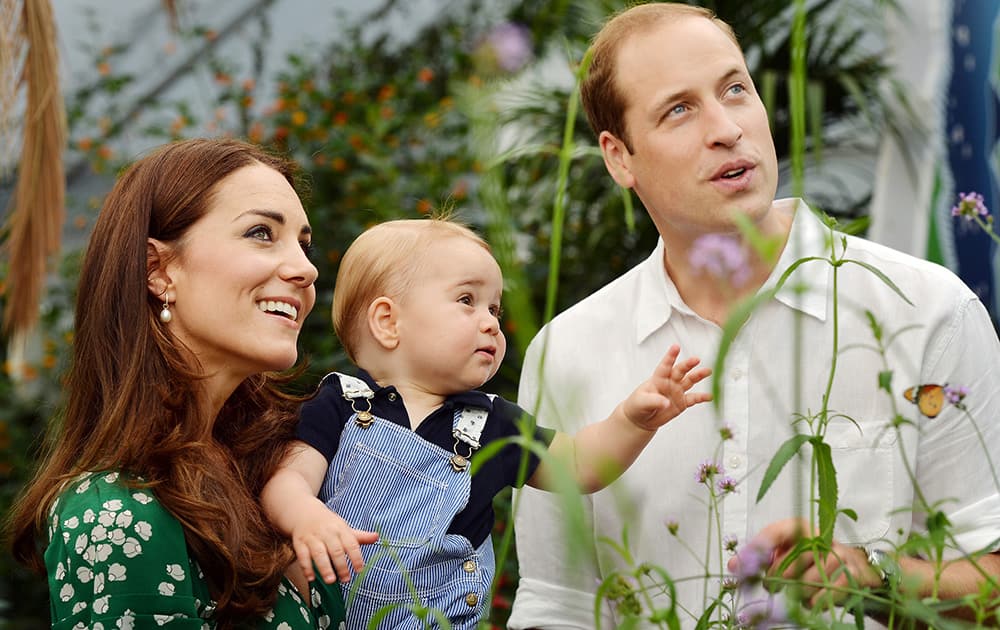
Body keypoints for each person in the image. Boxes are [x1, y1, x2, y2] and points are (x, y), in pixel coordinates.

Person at [507, 3, 1000, 628]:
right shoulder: (568, 350)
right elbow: (558, 603)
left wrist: (875, 576)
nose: (726, 128)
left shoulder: (928, 310)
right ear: (619, 157)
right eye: (679, 109)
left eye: (735, 89)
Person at [259, 217, 713, 629]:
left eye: (494, 309)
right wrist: (307, 517)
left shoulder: (493, 422)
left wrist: (632, 420)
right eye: (467, 301)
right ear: (388, 322)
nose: (492, 323)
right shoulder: (340, 403)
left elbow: (580, 466)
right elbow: (287, 481)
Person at [7, 138, 346, 628]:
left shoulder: (282, 479)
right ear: (158, 270)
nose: (305, 268)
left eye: (303, 244)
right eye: (261, 233)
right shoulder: (116, 512)